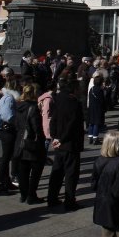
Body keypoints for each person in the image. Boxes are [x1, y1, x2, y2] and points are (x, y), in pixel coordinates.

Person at [48, 72, 85, 210]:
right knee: (71, 173)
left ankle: (52, 198)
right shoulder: (74, 104)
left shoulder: (59, 98)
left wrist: (55, 137)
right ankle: (69, 201)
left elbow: (53, 119)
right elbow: (71, 125)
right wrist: (61, 138)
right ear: (74, 89)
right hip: (70, 143)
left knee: (57, 171)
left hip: (59, 141)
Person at [13, 83, 46, 204]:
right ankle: (31, 194)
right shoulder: (33, 108)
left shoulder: (19, 106)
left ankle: (23, 193)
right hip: (32, 143)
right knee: (36, 170)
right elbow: (36, 127)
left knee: (23, 170)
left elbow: (16, 124)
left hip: (20, 142)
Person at [0, 78, 18, 195]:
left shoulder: (6, 97)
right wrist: (18, 120)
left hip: (4, 130)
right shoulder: (9, 99)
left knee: (7, 157)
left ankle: (6, 182)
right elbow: (7, 115)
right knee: (5, 158)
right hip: (7, 130)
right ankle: (0, 185)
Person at [88, 74, 109, 145]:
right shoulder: (100, 90)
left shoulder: (92, 89)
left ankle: (90, 137)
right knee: (97, 123)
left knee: (91, 123)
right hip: (98, 108)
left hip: (91, 108)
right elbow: (102, 100)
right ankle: (95, 138)